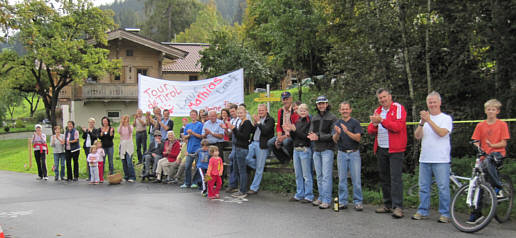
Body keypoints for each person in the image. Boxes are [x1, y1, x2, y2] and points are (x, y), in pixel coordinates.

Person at [411, 91, 453, 223]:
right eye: (430, 102)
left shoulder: (446, 118)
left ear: (439, 103)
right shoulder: (424, 120)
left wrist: (429, 120)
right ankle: (423, 211)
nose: (432, 104)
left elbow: (441, 133)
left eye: (434, 102)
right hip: (425, 158)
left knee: (443, 187)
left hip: (441, 159)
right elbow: (417, 136)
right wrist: (422, 123)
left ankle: (445, 213)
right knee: (423, 187)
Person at [468, 99, 511, 224]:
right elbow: (475, 140)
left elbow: (504, 142)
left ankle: (498, 187)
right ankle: (476, 213)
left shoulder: (502, 125)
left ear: (497, 111)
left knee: (488, 161)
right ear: (485, 110)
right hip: (484, 155)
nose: (491, 111)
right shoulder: (480, 125)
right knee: (478, 182)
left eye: (493, 109)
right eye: (488, 109)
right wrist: (478, 146)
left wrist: (493, 145)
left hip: (497, 155)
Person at [367, 88, 407, 218]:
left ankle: (398, 207)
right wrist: (374, 123)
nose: (383, 100)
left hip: (395, 149)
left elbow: (398, 127)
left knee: (395, 178)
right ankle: (387, 204)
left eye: (384, 97)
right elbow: (370, 130)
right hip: (381, 148)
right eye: (380, 98)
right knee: (384, 178)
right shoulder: (378, 111)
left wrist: (382, 121)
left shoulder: (398, 108)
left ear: (390, 96)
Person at [332, 102, 363, 211]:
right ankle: (343, 201)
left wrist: (347, 131)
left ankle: (358, 202)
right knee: (342, 179)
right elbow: (334, 140)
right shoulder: (337, 123)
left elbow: (358, 138)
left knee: (356, 179)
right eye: (342, 109)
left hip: (354, 153)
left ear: (350, 110)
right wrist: (338, 133)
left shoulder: (355, 123)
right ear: (339, 111)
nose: (345, 111)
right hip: (342, 153)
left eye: (346, 109)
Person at [309, 96, 337, 209]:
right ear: (317, 105)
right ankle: (320, 197)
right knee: (319, 175)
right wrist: (311, 135)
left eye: (323, 103)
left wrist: (318, 137)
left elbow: (333, 135)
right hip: (316, 149)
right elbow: (311, 131)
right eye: (319, 104)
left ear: (327, 104)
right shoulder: (314, 117)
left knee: (326, 176)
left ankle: (327, 199)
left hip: (327, 149)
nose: (321, 105)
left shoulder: (333, 117)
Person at [286, 103, 313, 203]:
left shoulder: (309, 122)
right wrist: (290, 131)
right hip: (296, 149)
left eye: (304, 110)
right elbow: (295, 137)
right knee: (298, 174)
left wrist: (295, 130)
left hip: (304, 149)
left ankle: (309, 195)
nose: (302, 112)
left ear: (307, 112)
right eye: (300, 110)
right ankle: (299, 193)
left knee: (306, 175)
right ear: (298, 112)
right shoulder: (297, 121)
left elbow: (306, 137)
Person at [246, 104, 275, 195]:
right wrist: (254, 124)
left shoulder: (270, 120)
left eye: (262, 110)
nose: (260, 112)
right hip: (253, 143)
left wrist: (259, 123)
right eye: (259, 111)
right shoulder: (258, 120)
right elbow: (252, 131)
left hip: (262, 145)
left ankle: (254, 188)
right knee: (246, 158)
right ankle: (260, 167)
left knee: (259, 168)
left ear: (266, 111)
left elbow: (266, 131)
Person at [228, 106, 255, 198]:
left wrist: (234, 129)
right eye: (238, 113)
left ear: (245, 113)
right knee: (240, 170)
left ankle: (243, 190)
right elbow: (253, 130)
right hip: (239, 147)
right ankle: (242, 189)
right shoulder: (243, 122)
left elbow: (244, 136)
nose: (240, 115)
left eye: (241, 113)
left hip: (242, 148)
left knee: (242, 170)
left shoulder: (246, 122)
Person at [267, 91, 298, 163]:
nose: (285, 101)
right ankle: (285, 160)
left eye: (287, 99)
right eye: (284, 99)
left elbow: (296, 127)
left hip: (293, 134)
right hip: (283, 133)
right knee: (270, 143)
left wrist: (284, 137)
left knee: (286, 142)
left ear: (291, 99)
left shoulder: (295, 110)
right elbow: (278, 126)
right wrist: (278, 138)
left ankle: (293, 158)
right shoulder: (280, 111)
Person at [181, 110, 204, 188]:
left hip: (198, 148)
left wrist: (192, 133)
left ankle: (195, 182)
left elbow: (201, 136)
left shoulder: (199, 124)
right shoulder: (188, 125)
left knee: (198, 166)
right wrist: (188, 135)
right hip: (190, 148)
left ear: (197, 116)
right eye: (191, 115)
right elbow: (184, 137)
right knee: (187, 166)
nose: (193, 116)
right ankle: (187, 182)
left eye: (194, 115)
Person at [223, 103, 240, 193]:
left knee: (232, 160)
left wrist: (230, 128)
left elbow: (237, 132)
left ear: (237, 110)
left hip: (238, 144)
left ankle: (233, 184)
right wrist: (225, 128)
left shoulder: (240, 119)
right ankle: (233, 184)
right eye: (231, 112)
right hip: (233, 143)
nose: (232, 113)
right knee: (233, 164)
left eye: (233, 111)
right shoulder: (232, 120)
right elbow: (229, 134)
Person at [118, 115, 136, 182]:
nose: (125, 120)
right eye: (124, 119)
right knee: (124, 161)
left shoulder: (130, 126)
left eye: (126, 119)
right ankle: (126, 176)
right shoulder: (120, 127)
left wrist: (127, 124)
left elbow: (130, 131)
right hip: (122, 145)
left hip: (129, 145)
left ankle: (132, 176)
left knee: (129, 162)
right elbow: (119, 132)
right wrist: (121, 123)